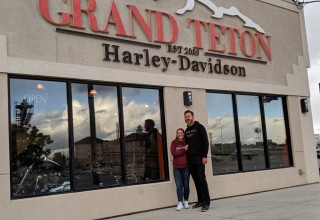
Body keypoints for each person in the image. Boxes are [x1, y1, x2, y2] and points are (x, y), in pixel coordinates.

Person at [184, 110, 210, 212]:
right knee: (196, 181)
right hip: (190, 160)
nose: (187, 118)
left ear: (193, 117)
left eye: (189, 116)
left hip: (199, 158)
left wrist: (204, 156)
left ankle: (206, 203)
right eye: (185, 117)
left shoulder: (200, 127)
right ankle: (200, 200)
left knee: (202, 180)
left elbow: (205, 142)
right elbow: (187, 144)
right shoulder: (186, 131)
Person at [171, 128, 190, 211]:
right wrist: (183, 150)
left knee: (186, 185)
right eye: (178, 133)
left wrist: (184, 150)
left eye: (181, 133)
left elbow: (189, 152)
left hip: (186, 167)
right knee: (179, 186)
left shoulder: (187, 142)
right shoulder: (174, 143)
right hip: (176, 168)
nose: (180, 134)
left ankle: (186, 201)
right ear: (176, 134)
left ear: (183, 133)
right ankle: (179, 203)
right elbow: (174, 153)